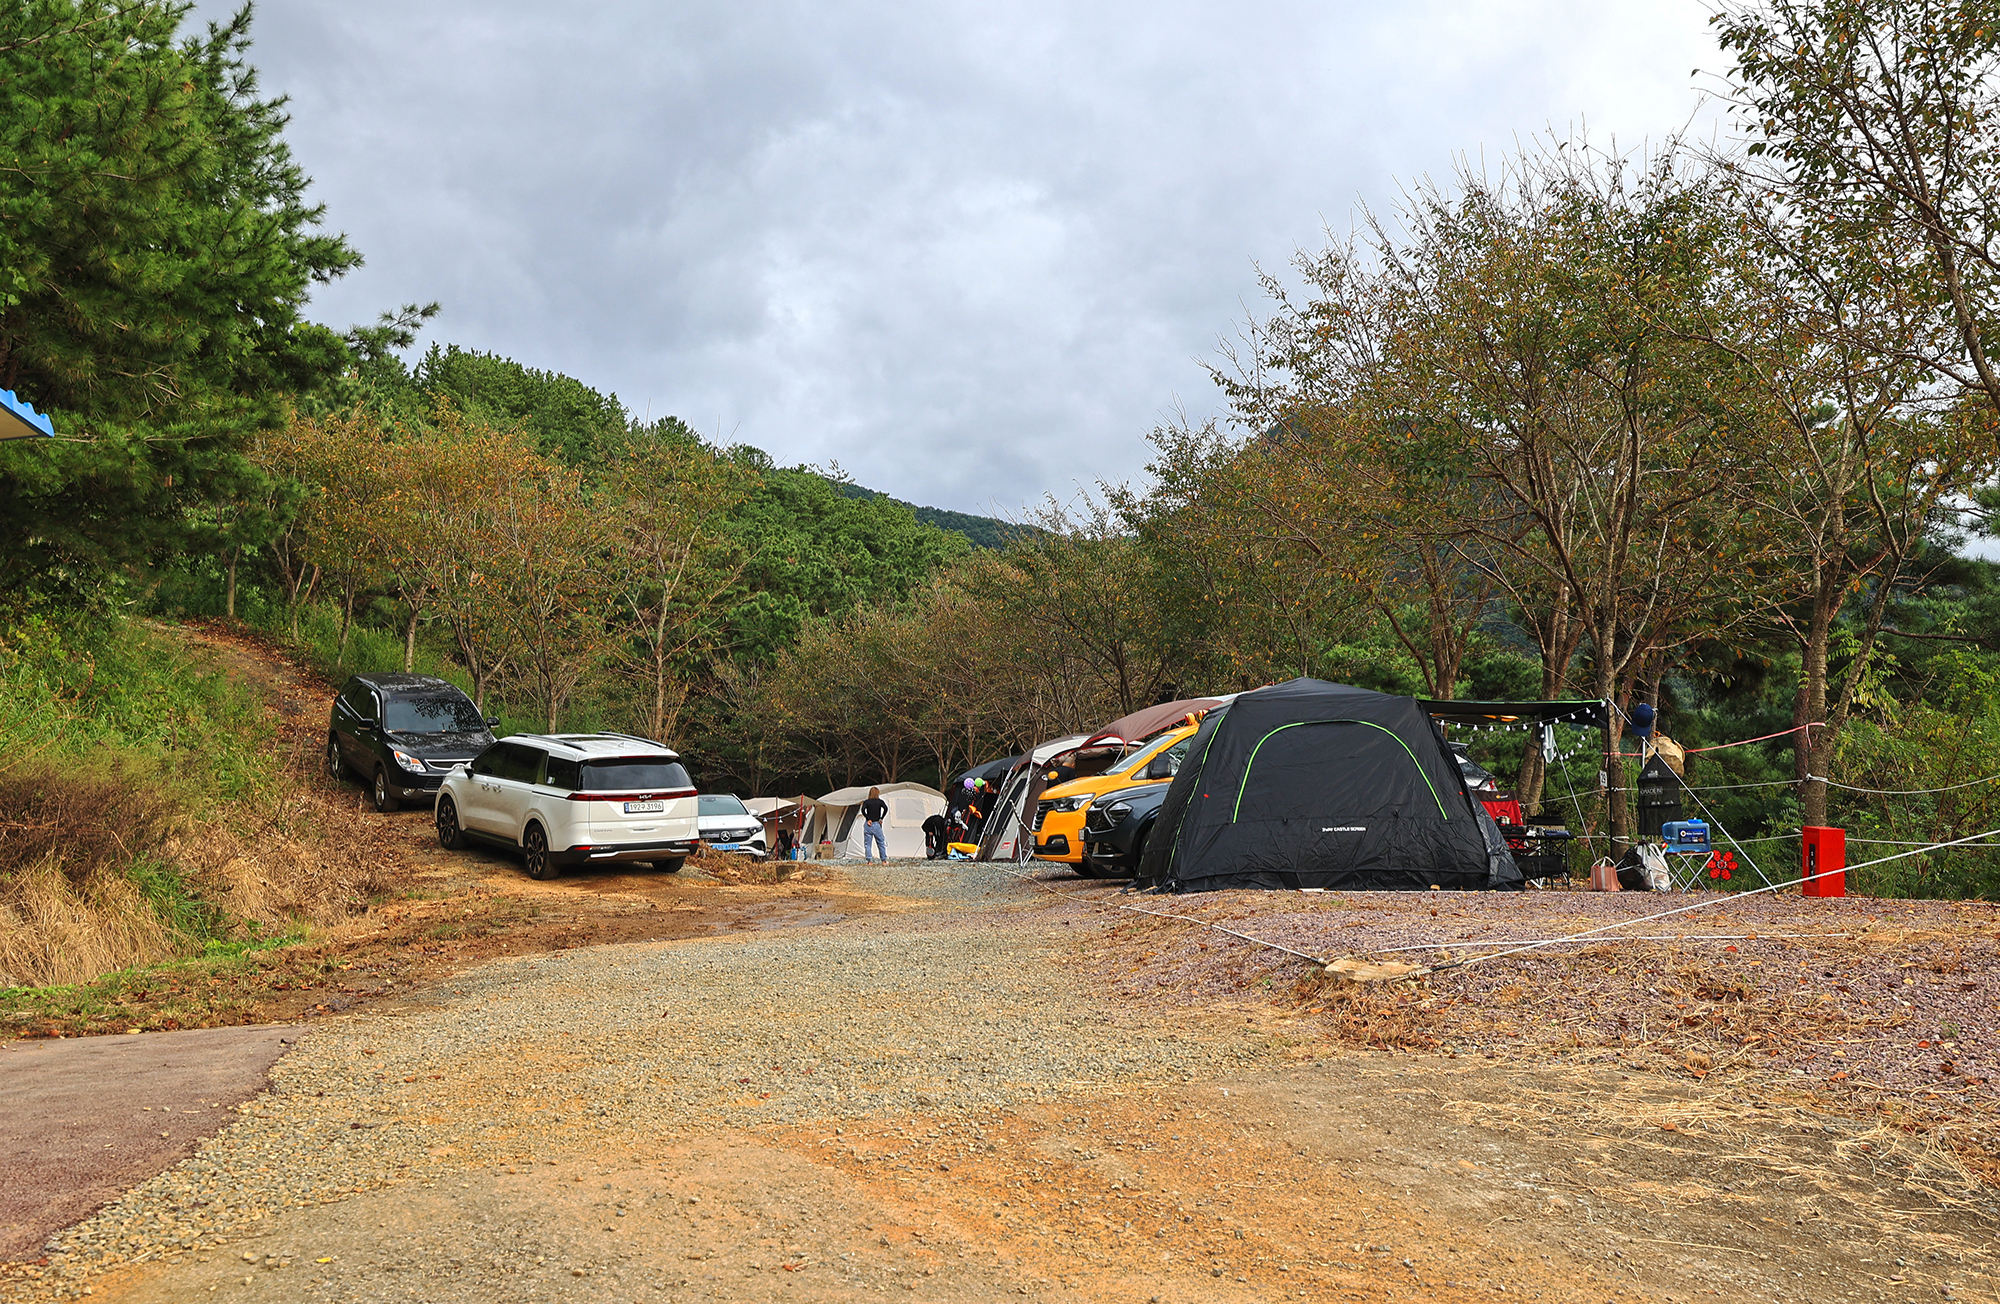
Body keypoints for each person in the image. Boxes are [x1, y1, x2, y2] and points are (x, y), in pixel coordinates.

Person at [861, 787, 889, 862]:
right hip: (877, 823)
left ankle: (869, 861)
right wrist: (881, 818)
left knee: (868, 844)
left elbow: (863, 810)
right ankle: (883, 860)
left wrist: (868, 818)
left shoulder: (867, 802)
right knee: (881, 843)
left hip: (868, 824)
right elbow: (886, 808)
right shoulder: (880, 802)